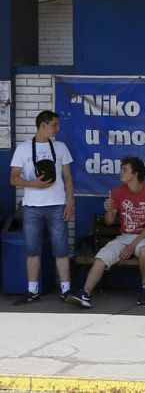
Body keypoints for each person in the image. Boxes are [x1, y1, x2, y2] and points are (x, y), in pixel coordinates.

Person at [66, 156, 145, 309]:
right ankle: (85, 293)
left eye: (125, 169)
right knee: (102, 256)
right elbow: (109, 222)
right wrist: (109, 210)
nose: (121, 172)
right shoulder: (117, 192)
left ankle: (144, 289)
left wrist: (132, 246)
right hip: (123, 237)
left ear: (135, 173)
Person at [9, 110, 75, 304]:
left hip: (57, 205)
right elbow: (13, 178)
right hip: (32, 207)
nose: (58, 129)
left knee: (61, 249)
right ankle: (32, 290)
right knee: (32, 250)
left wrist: (70, 203)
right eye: (55, 125)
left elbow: (68, 177)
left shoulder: (61, 147)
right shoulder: (23, 149)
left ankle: (66, 290)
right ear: (43, 125)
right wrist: (33, 184)